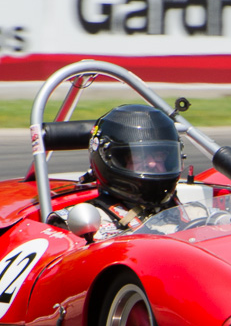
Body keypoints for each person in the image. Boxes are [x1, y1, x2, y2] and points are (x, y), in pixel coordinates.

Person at [67, 103, 184, 240]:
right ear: (115, 159)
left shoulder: (192, 211)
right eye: (139, 156)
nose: (152, 163)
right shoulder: (83, 226)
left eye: (160, 155)